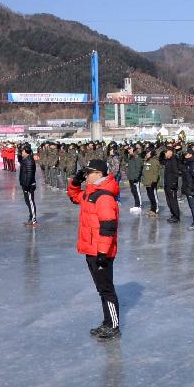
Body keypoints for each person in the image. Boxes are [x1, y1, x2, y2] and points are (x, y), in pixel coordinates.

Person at [67, 159, 121, 341]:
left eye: (89, 173)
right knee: (101, 289)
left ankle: (113, 325)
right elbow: (74, 196)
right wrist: (76, 181)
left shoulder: (104, 196)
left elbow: (108, 227)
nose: (86, 176)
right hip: (91, 250)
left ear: (98, 174)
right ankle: (107, 322)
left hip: (100, 252)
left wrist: (103, 253)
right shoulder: (90, 193)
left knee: (106, 289)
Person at [181, 145, 194, 229]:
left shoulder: (193, 164)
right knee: (192, 205)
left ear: (190, 154)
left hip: (192, 189)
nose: (184, 156)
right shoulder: (189, 162)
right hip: (188, 187)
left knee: (193, 205)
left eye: (186, 154)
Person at [18, 145, 38, 226]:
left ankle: (33, 220)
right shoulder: (25, 159)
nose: (21, 153)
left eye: (22, 151)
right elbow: (19, 159)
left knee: (30, 202)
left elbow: (30, 174)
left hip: (29, 185)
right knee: (27, 201)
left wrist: (26, 185)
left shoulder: (29, 160)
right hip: (25, 184)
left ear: (26, 152)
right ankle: (31, 217)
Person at [162, 147, 182, 224]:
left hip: (172, 184)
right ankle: (173, 214)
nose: (165, 153)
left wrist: (173, 183)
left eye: (166, 152)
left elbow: (176, 172)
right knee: (169, 200)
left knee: (173, 201)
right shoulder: (168, 160)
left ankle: (176, 216)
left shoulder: (174, 160)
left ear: (170, 152)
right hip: (167, 183)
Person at [142, 149, 162, 217]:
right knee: (150, 196)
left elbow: (156, 172)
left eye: (148, 153)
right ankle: (152, 209)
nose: (146, 154)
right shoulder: (146, 160)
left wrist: (154, 181)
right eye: (146, 153)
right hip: (147, 182)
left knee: (153, 196)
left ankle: (155, 209)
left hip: (152, 182)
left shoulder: (155, 161)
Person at [125, 146, 143, 213]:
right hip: (131, 177)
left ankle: (138, 205)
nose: (129, 150)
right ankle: (136, 204)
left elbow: (138, 168)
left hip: (135, 178)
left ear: (134, 150)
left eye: (130, 149)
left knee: (137, 191)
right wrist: (125, 152)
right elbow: (125, 160)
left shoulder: (136, 157)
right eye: (128, 149)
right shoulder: (130, 157)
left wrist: (136, 177)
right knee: (133, 191)